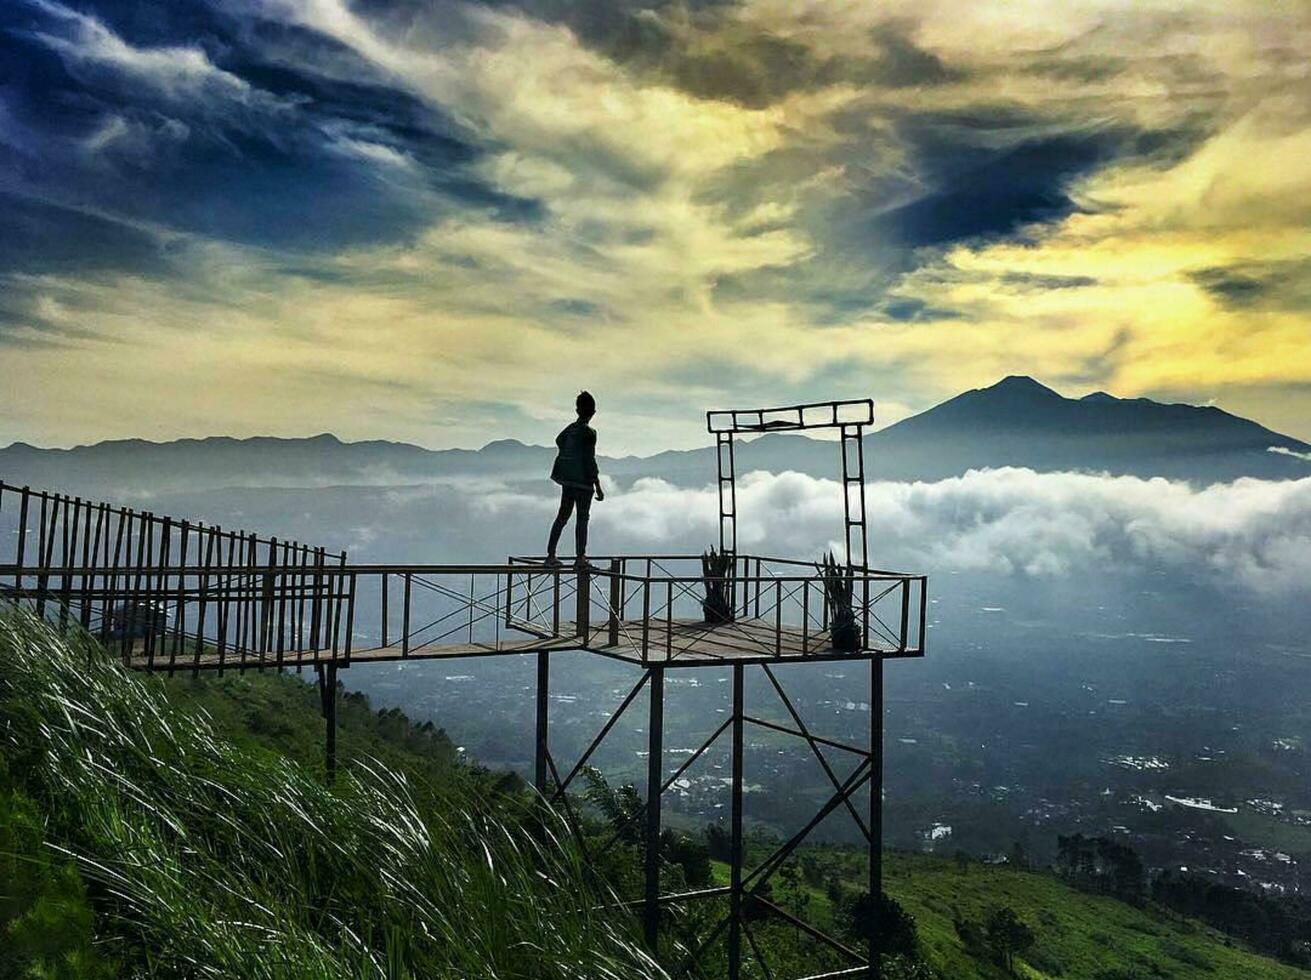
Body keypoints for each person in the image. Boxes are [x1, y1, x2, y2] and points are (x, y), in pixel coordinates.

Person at [546, 390, 604, 568]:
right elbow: (590, 459)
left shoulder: (571, 429)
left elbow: (559, 440)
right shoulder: (589, 433)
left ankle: (550, 555)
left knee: (562, 517)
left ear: (577, 410)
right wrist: (598, 484)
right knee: (582, 519)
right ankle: (580, 558)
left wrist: (569, 458)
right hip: (584, 483)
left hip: (569, 481)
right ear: (592, 412)